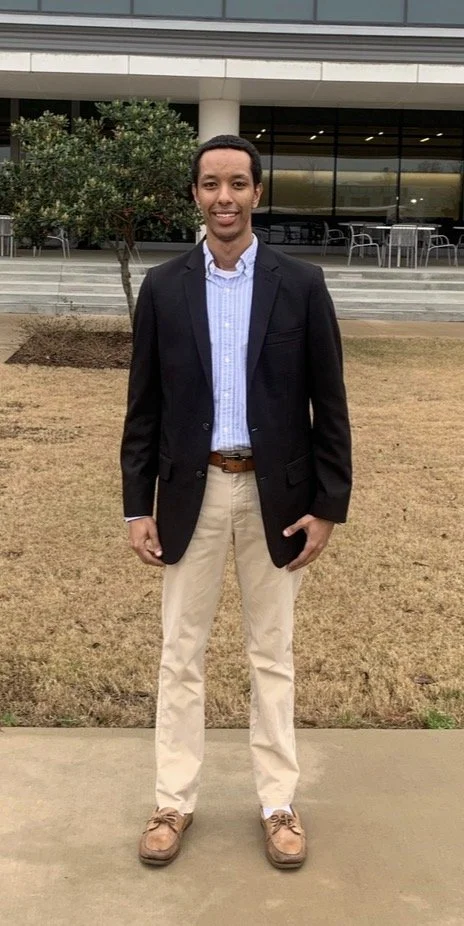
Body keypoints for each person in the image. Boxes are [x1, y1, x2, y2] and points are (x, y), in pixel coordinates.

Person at [120, 134, 352, 870]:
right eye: (211, 184)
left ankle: (278, 805)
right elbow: (144, 408)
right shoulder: (164, 287)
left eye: (238, 184)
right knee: (179, 656)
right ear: (196, 194)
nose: (225, 197)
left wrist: (328, 504)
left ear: (258, 193)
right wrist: (137, 505)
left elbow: (329, 405)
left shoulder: (301, 284)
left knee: (271, 655)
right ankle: (172, 802)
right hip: (190, 494)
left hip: (275, 498)